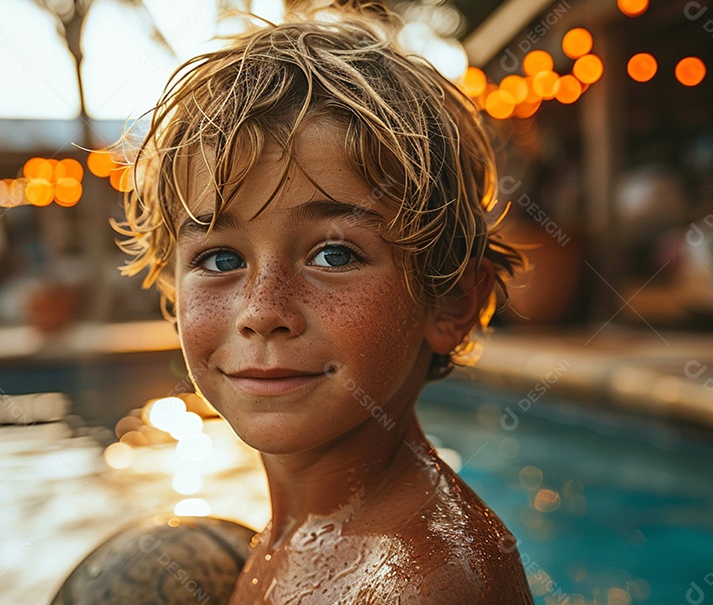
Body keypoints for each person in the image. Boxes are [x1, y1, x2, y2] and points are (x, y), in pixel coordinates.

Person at [112, 4, 533, 603]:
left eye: (334, 255)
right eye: (221, 259)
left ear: (450, 301)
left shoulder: (426, 583)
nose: (263, 310)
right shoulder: (297, 538)